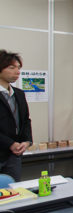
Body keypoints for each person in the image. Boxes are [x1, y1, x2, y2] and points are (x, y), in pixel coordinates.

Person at [0, 50, 32, 182]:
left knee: (14, 195)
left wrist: (26, 141)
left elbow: (25, 121)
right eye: (12, 67)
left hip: (14, 156)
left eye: (18, 68)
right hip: (3, 149)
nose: (17, 71)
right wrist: (10, 143)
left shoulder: (19, 94)